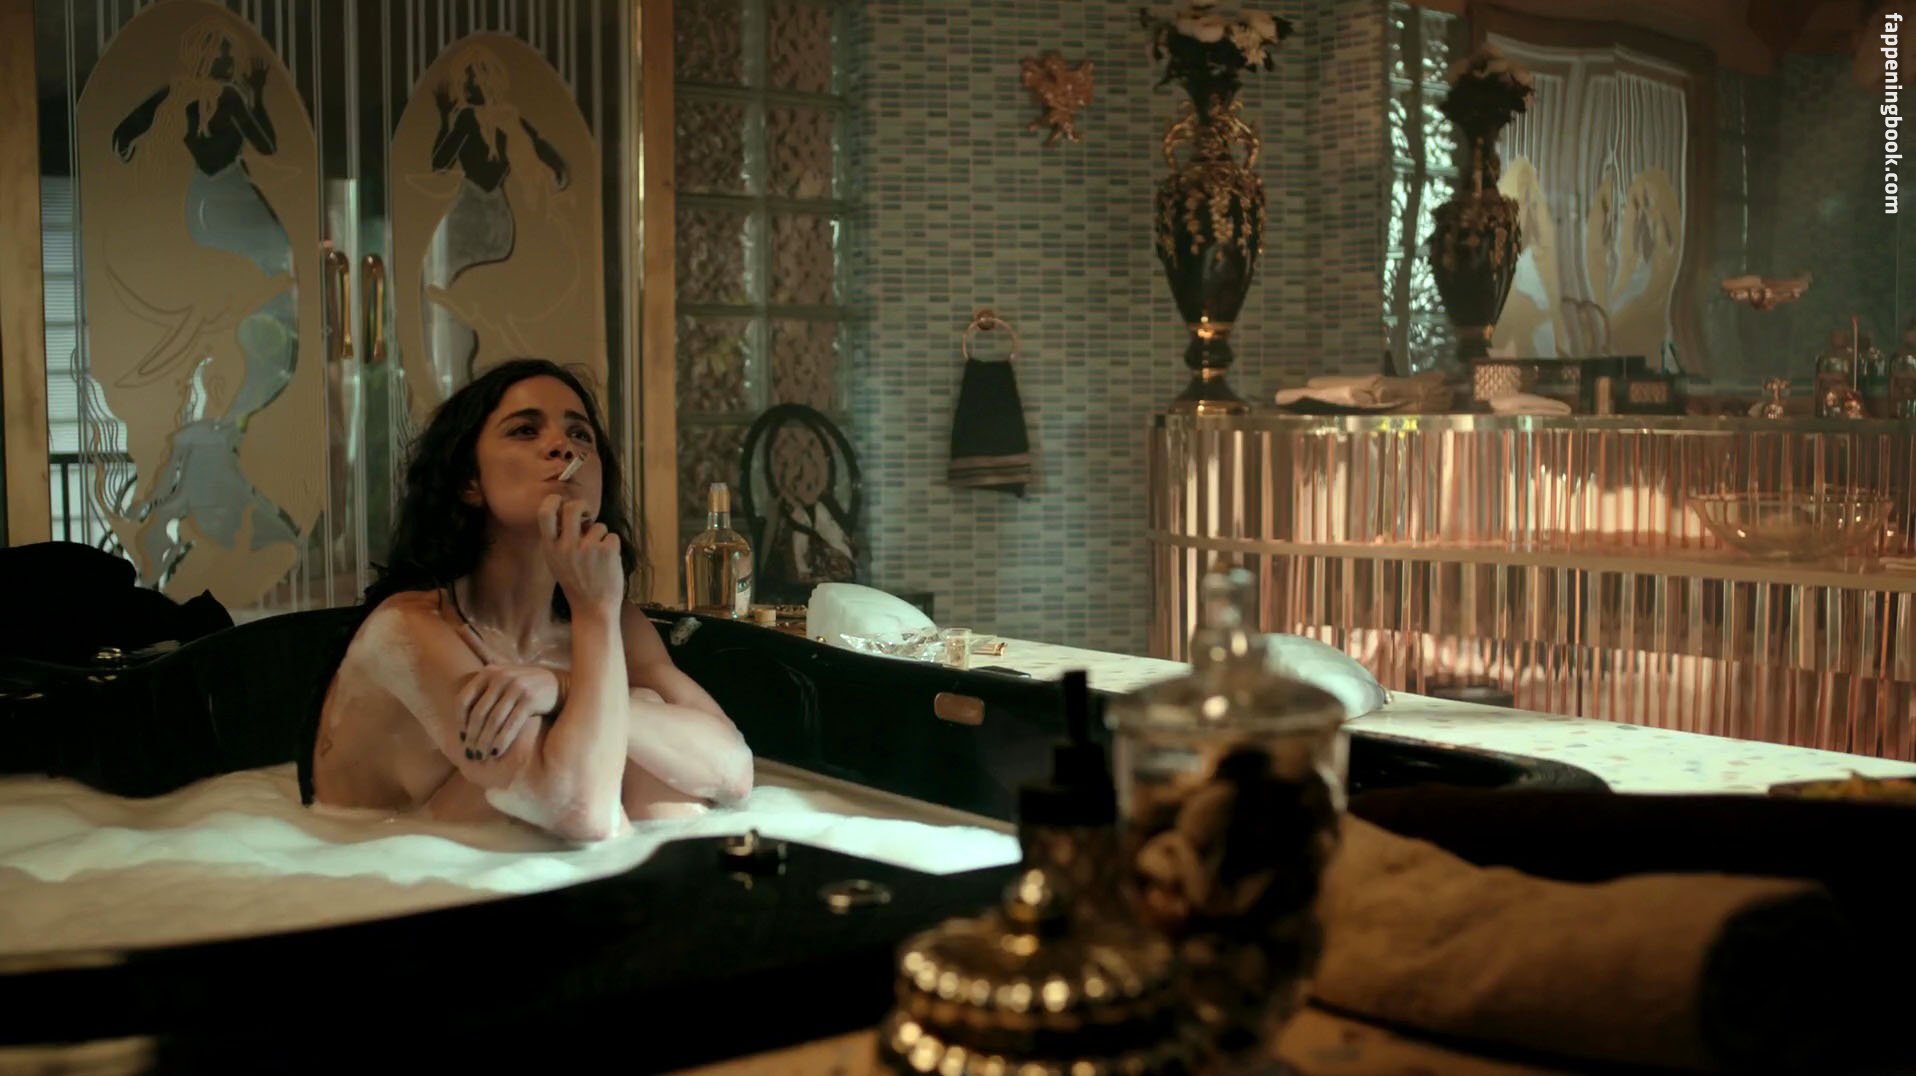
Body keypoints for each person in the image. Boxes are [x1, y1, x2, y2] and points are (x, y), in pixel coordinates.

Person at [309, 359, 753, 840]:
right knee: (582, 754)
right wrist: (594, 614)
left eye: (580, 435)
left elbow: (733, 772)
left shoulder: (612, 618)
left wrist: (561, 687)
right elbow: (583, 813)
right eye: (524, 430)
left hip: (551, 871)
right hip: (382, 867)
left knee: (644, 731)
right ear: (469, 481)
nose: (564, 447)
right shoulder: (408, 628)